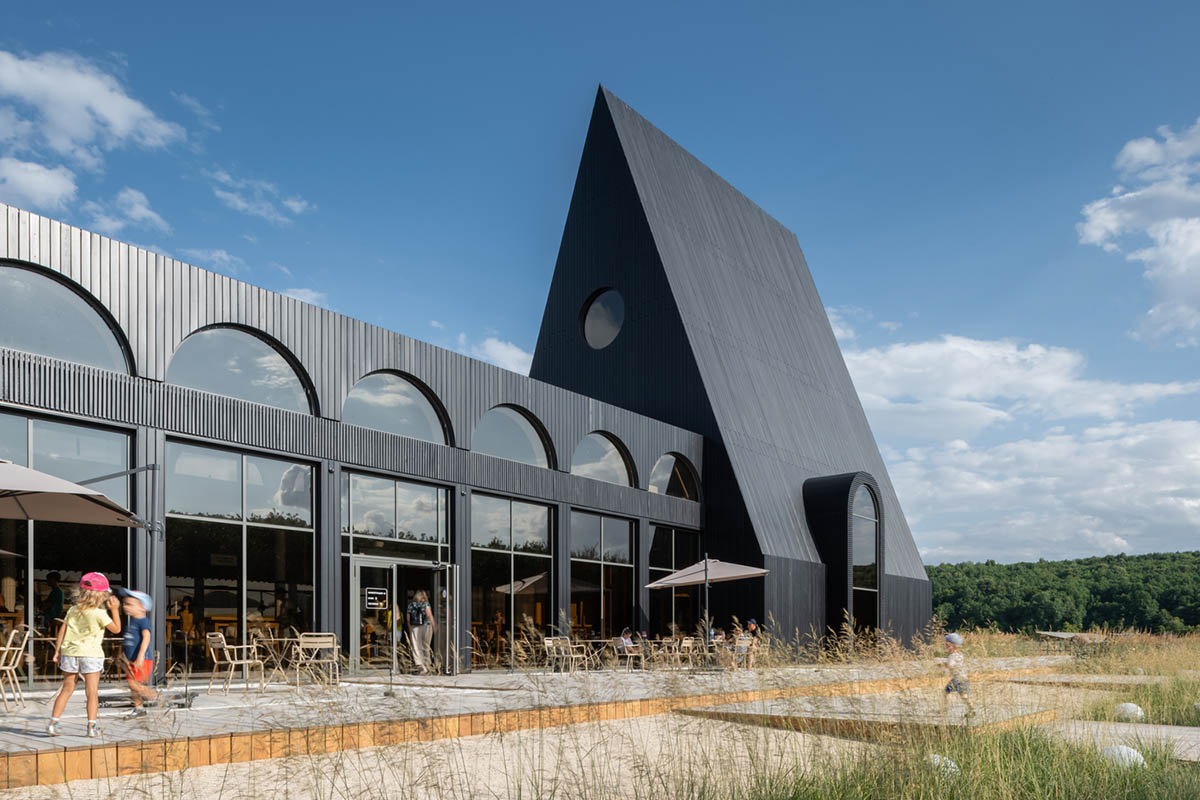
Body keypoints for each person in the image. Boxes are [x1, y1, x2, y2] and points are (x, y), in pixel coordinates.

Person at [48, 573, 121, 738]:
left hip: (70, 653)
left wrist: (57, 651)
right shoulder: (100, 613)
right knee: (92, 692)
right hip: (91, 655)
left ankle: (53, 723)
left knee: (67, 689)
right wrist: (115, 610)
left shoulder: (73, 610)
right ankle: (91, 727)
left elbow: (63, 630)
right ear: (102, 595)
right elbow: (116, 629)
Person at [118, 588, 158, 716]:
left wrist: (141, 656)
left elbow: (146, 637)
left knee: (133, 684)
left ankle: (155, 695)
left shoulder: (143, 621)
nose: (125, 606)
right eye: (124, 603)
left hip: (142, 659)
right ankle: (139, 708)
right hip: (131, 660)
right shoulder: (132, 622)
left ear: (142, 607)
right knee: (132, 686)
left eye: (129, 604)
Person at [942, 632, 973, 716]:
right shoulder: (960, 655)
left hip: (957, 678)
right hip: (964, 678)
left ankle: (945, 708)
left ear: (952, 646)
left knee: (945, 692)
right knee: (964, 695)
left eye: (946, 645)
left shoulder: (951, 656)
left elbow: (950, 666)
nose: (945, 646)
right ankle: (971, 708)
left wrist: (943, 666)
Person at [406, 590, 436, 674]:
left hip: (414, 627)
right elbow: (429, 615)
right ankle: (428, 665)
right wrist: (434, 626)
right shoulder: (426, 604)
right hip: (426, 626)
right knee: (426, 646)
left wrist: (410, 629)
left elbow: (408, 619)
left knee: (416, 646)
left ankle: (421, 666)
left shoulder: (410, 605)